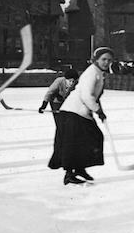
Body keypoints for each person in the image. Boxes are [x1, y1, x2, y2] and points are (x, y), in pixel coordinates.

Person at [48, 47, 112, 185]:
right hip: (73, 111)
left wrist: (99, 110)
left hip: (81, 112)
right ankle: (69, 174)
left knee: (92, 138)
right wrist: (97, 110)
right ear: (96, 59)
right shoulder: (91, 73)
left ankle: (79, 168)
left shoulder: (98, 73)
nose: (106, 62)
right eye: (103, 59)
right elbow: (86, 95)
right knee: (75, 143)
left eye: (109, 60)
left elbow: (94, 96)